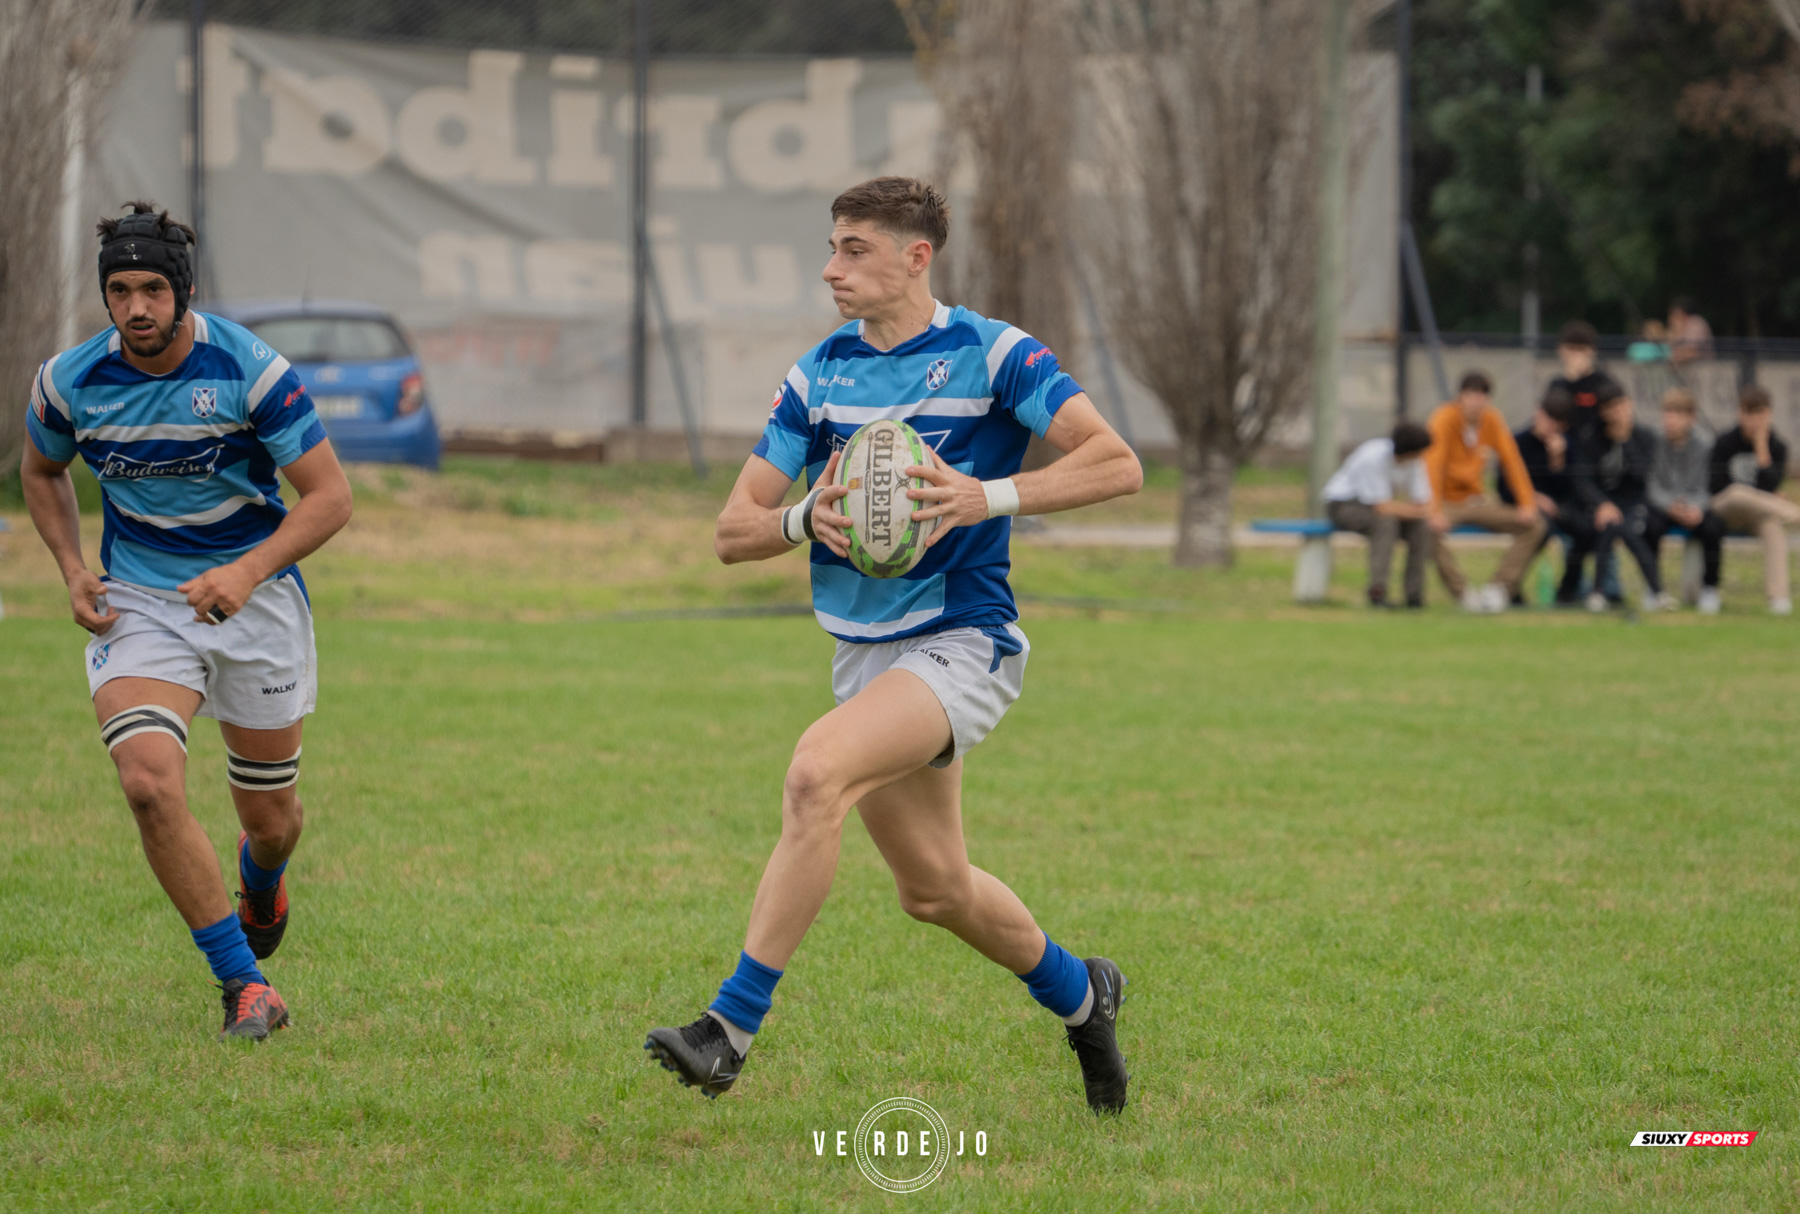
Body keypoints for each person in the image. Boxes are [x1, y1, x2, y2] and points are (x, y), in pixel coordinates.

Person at [642, 178, 1143, 1112]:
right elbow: (732, 531)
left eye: (856, 249)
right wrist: (802, 519)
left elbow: (1118, 462)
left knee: (813, 773)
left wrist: (985, 496)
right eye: (833, 247)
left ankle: (729, 1031)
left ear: (917, 256)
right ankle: (1084, 997)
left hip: (965, 640)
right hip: (868, 659)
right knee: (936, 890)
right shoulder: (818, 374)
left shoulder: (995, 354)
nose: (833, 268)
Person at [18, 201, 352, 1040]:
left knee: (272, 822)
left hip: (258, 601)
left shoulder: (251, 370)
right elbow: (40, 469)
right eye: (121, 290)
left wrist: (244, 571)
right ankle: (245, 986)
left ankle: (262, 879)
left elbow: (331, 498)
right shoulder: (70, 381)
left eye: (153, 290)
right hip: (140, 605)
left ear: (185, 292)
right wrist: (70, 569)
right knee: (147, 784)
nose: (137, 307)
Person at [1424, 370, 1548, 612]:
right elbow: (1432, 466)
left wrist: (1527, 503)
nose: (1476, 402)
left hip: (1476, 500)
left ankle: (1498, 589)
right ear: (1460, 397)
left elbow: (1512, 462)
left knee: (1535, 526)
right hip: (1446, 501)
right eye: (1471, 396)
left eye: (1482, 396)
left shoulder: (1491, 419)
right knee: (1426, 529)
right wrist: (1434, 509)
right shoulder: (1443, 418)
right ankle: (1462, 593)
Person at [1569, 383, 1673, 611]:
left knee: (1629, 530)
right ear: (1603, 412)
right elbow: (1582, 480)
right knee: (1608, 527)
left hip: (1635, 502)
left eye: (1621, 406)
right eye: (1610, 408)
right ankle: (1598, 593)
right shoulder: (1591, 438)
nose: (1617, 413)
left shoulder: (1645, 438)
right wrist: (1601, 504)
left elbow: (1644, 478)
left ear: (1630, 405)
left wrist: (1626, 442)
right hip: (1602, 503)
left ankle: (1657, 592)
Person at [1709, 383, 1800, 614]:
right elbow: (1716, 486)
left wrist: (1761, 448)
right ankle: (1795, 514)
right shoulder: (1725, 442)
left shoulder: (1777, 447)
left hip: (1756, 514)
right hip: (1724, 508)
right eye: (1748, 413)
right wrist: (1772, 499)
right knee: (1738, 492)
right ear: (1740, 413)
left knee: (1773, 526)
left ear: (1768, 414)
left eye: (1759, 414)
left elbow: (1769, 486)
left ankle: (1778, 598)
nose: (1753, 420)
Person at [1323, 421, 1434, 608]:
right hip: (1343, 504)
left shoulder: (1415, 461)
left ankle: (1414, 596)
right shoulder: (1373, 456)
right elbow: (1381, 507)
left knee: (1421, 527)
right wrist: (1414, 511)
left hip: (1379, 507)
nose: (1420, 456)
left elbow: (1422, 500)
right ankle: (1377, 592)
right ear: (1407, 451)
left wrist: (1420, 512)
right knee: (1385, 524)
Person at [1500, 387, 1586, 604]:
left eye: (1558, 424)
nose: (1551, 427)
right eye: (1549, 419)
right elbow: (1504, 487)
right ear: (1538, 412)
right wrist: (1534, 498)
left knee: (1586, 531)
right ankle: (1512, 589)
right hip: (1524, 508)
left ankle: (1568, 591)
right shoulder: (1517, 442)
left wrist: (1557, 461)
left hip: (1561, 508)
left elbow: (1572, 488)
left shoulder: (1569, 446)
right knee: (1539, 529)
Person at [1644, 388, 1725, 614]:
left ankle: (1710, 589)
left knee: (1713, 526)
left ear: (1691, 418)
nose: (1670, 420)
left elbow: (1706, 486)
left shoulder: (1705, 446)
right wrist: (1670, 506)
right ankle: (1654, 589)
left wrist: (1695, 508)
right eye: (1667, 413)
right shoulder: (1655, 443)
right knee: (1649, 525)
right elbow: (1653, 486)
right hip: (1665, 506)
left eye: (1677, 414)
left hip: (1693, 507)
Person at [1546, 321, 1622, 443]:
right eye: (1571, 349)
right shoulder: (1558, 384)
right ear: (1561, 350)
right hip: (1566, 448)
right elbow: (1552, 414)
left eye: (1581, 349)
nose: (1576, 355)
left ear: (1592, 351)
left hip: (1598, 446)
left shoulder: (1602, 380)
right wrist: (1570, 381)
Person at [1667, 297, 1715, 366]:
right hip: (1692, 371)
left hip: (1704, 369)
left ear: (1682, 313)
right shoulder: (1681, 327)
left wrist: (1673, 357)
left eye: (1673, 314)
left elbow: (1692, 352)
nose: (1670, 319)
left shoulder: (1696, 324)